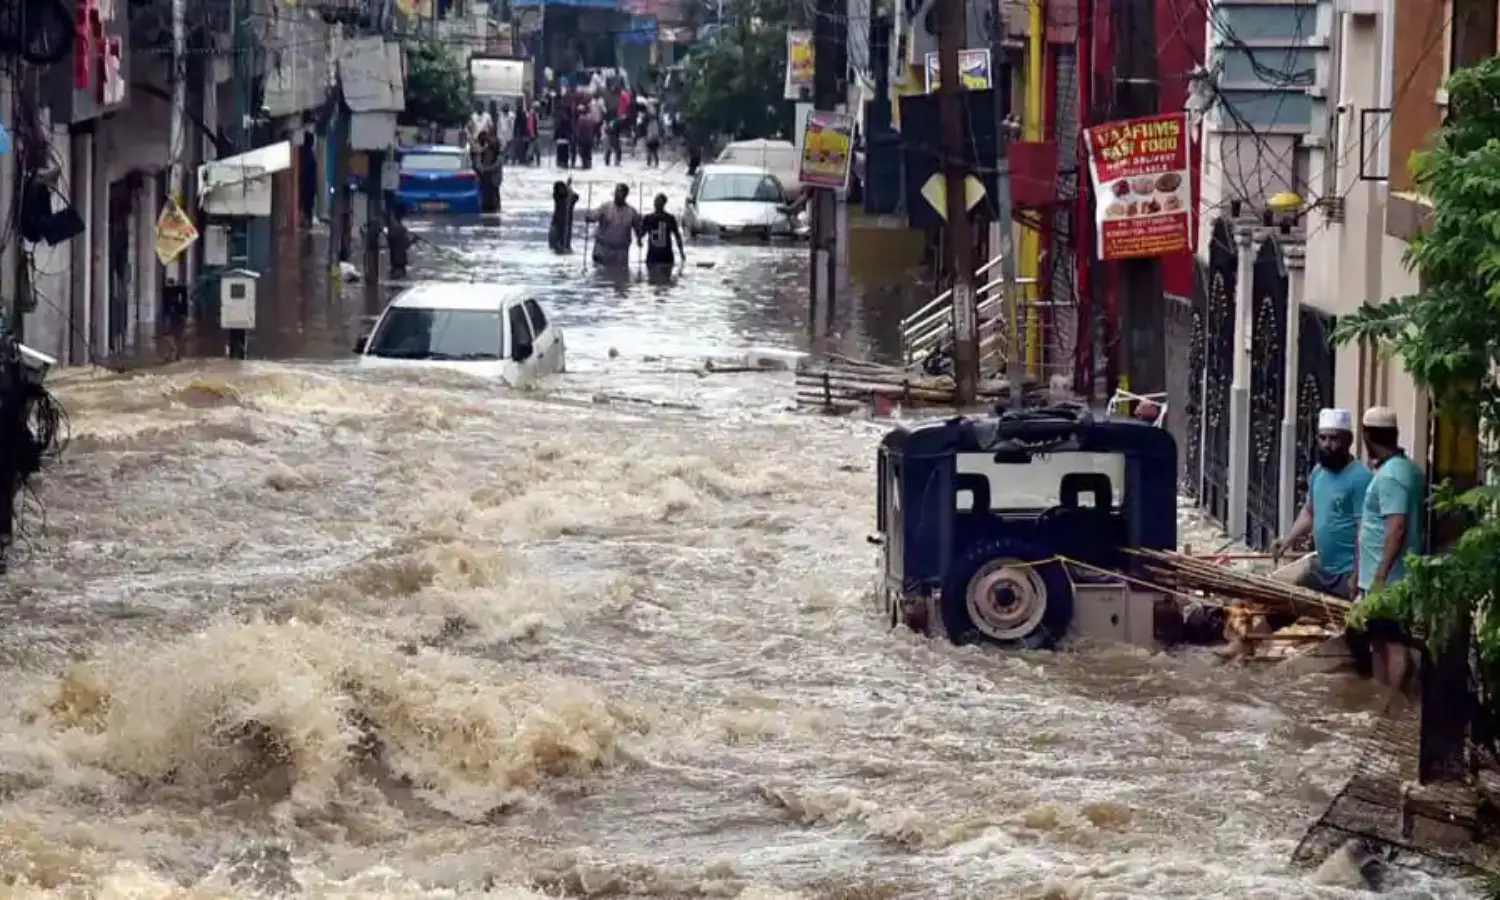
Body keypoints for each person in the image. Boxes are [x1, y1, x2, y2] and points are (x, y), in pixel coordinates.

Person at [1349, 405, 1426, 690]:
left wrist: (1381, 574)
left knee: (1392, 643)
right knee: (1379, 640)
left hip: (1390, 580)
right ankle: (1381, 699)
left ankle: (1393, 703)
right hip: (1380, 578)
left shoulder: (1393, 475)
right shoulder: (1400, 470)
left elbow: (1397, 528)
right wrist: (1361, 574)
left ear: (1367, 436)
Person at [1268, 408, 1371, 600]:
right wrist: (1287, 540)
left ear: (1347, 440)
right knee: (1288, 603)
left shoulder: (1360, 478)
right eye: (1323, 438)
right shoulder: (1318, 472)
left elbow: (1363, 530)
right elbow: (1309, 512)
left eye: (1334, 439)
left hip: (1347, 572)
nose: (1327, 445)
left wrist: (1358, 573)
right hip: (1322, 568)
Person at [585, 183, 640, 267]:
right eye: (616, 192)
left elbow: (637, 229)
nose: (617, 195)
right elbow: (593, 217)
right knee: (600, 275)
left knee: (620, 275)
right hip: (603, 248)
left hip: (621, 251)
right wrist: (589, 217)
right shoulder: (605, 207)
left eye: (620, 193)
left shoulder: (631, 211)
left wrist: (639, 238)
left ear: (625, 195)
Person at [637, 193, 684, 272]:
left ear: (664, 204)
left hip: (665, 254)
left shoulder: (669, 218)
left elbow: (677, 236)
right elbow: (641, 234)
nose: (656, 203)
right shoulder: (648, 218)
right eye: (656, 201)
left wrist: (681, 252)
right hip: (653, 254)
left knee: (664, 279)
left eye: (659, 201)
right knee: (653, 279)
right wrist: (639, 240)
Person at [549, 180, 580, 253]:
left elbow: (576, 197)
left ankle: (565, 248)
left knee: (565, 245)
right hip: (557, 224)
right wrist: (568, 187)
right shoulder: (557, 197)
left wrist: (569, 187)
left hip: (566, 225)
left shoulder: (570, 199)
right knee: (556, 245)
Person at [386, 208, 412, 280]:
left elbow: (390, 242)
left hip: (394, 261)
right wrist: (414, 240)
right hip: (400, 261)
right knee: (399, 279)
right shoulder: (401, 229)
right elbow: (407, 244)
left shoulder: (391, 228)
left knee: (394, 280)